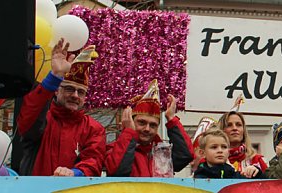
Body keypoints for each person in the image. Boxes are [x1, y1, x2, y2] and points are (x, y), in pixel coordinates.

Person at [16, 39, 105, 176]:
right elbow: (28, 115)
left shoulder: (93, 128)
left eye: (80, 92)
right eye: (69, 89)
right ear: (57, 90)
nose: (75, 95)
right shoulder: (43, 118)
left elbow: (94, 161)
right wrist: (55, 76)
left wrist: (74, 173)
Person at [104, 79, 195, 177]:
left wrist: (172, 120)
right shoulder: (114, 148)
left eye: (153, 125)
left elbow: (185, 156)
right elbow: (118, 172)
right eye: (141, 122)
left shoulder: (163, 153)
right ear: (131, 122)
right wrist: (129, 132)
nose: (147, 129)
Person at [193, 129, 264, 179]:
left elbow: (264, 186)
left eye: (224, 147)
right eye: (214, 147)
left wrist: (256, 173)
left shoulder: (234, 175)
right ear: (202, 153)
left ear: (228, 151)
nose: (220, 151)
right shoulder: (197, 179)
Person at [217, 110, 266, 178]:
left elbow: (271, 185)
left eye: (238, 125)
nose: (234, 128)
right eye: (229, 125)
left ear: (243, 130)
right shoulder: (214, 160)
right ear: (221, 131)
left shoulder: (257, 160)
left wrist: (258, 174)